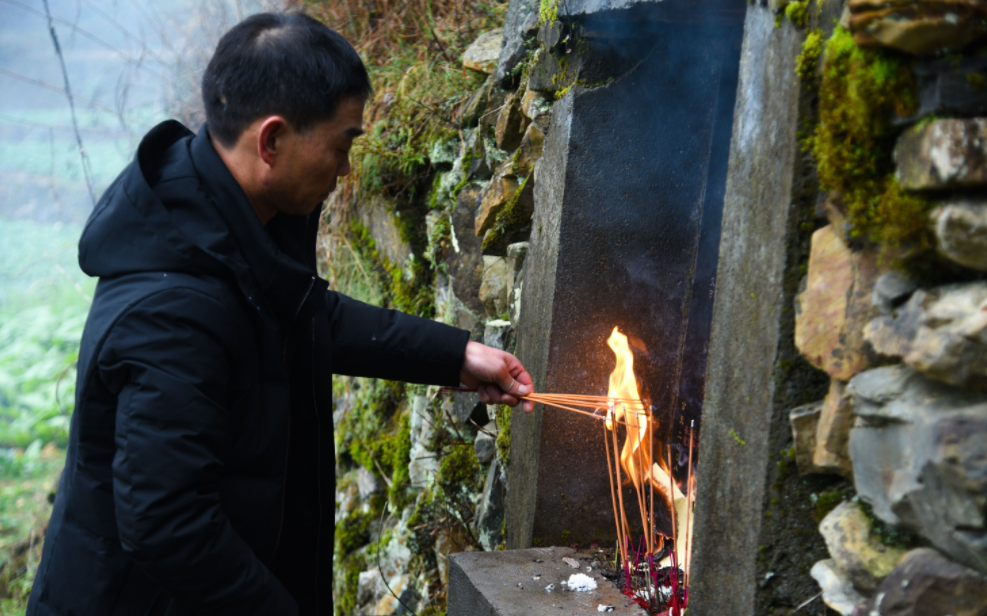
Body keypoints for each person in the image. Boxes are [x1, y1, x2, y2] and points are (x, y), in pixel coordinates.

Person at [27, 11, 534, 616]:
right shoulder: (171, 313)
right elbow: (167, 523)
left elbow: (306, 315)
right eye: (342, 142)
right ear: (271, 140)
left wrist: (455, 354)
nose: (347, 170)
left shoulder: (222, 227)